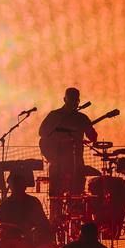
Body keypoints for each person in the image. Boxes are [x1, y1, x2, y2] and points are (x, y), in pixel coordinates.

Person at [37, 88, 98, 220]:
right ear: (65, 100)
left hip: (75, 165)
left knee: (74, 198)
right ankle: (57, 227)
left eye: (75, 100)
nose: (74, 103)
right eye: (71, 100)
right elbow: (42, 133)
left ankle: (73, 227)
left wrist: (89, 128)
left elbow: (93, 137)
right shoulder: (56, 116)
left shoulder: (81, 118)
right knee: (57, 199)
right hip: (59, 164)